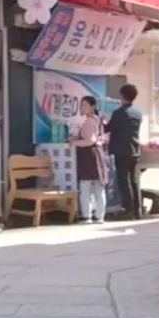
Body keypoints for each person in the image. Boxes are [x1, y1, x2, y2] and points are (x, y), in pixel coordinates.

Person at [104, 84, 143, 219]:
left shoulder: (119, 113)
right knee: (134, 180)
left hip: (122, 151)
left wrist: (101, 120)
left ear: (122, 95)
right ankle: (137, 211)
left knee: (123, 181)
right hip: (134, 150)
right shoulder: (138, 113)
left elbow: (107, 128)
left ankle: (128, 209)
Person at [68, 96, 109, 224]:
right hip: (98, 154)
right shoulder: (98, 120)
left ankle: (86, 216)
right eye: (81, 105)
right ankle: (99, 216)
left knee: (85, 186)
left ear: (93, 107)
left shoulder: (89, 121)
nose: (82, 107)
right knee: (98, 187)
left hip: (89, 155)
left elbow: (89, 140)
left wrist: (74, 142)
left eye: (85, 105)